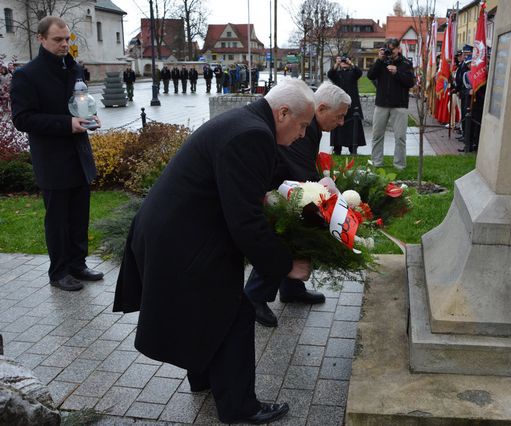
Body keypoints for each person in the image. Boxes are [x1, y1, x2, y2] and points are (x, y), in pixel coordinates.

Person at [113, 77, 315, 424]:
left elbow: (269, 173)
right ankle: (239, 406)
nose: (302, 134)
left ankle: (203, 378)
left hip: (174, 230)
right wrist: (285, 265)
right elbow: (246, 220)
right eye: (302, 126)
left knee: (206, 308)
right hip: (181, 238)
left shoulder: (249, 124)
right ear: (283, 113)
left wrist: (316, 188)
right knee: (232, 313)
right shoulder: (253, 134)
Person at [245, 81, 351, 327]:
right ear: (321, 108)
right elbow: (297, 168)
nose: (342, 122)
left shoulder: (311, 125)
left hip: (284, 180)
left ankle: (291, 288)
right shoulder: (305, 124)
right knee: (286, 235)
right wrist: (324, 191)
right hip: (277, 184)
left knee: (299, 230)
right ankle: (254, 296)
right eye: (340, 116)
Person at [10, 16, 104, 291]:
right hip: (52, 158)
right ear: (41, 39)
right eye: (58, 40)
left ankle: (77, 264)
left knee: (79, 214)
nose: (65, 44)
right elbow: (23, 118)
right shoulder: (26, 75)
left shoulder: (73, 68)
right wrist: (67, 124)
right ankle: (59, 271)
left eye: (67, 39)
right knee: (58, 218)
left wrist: (90, 118)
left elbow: (79, 104)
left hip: (78, 154)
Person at [367, 38, 415, 169]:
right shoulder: (381, 62)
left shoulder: (405, 63)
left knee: (400, 137)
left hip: (399, 105)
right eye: (388, 49)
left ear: (398, 49)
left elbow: (411, 82)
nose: (390, 52)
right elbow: (370, 76)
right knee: (377, 135)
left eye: (392, 49)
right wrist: (379, 60)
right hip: (381, 104)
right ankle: (376, 163)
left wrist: (397, 72)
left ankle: (399, 165)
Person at [328, 55, 366, 155]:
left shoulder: (353, 73)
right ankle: (337, 149)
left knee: (352, 127)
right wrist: (336, 63)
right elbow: (330, 74)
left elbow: (359, 72)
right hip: (339, 104)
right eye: (342, 61)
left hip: (352, 105)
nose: (344, 62)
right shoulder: (337, 74)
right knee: (338, 127)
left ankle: (353, 149)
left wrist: (351, 63)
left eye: (345, 61)